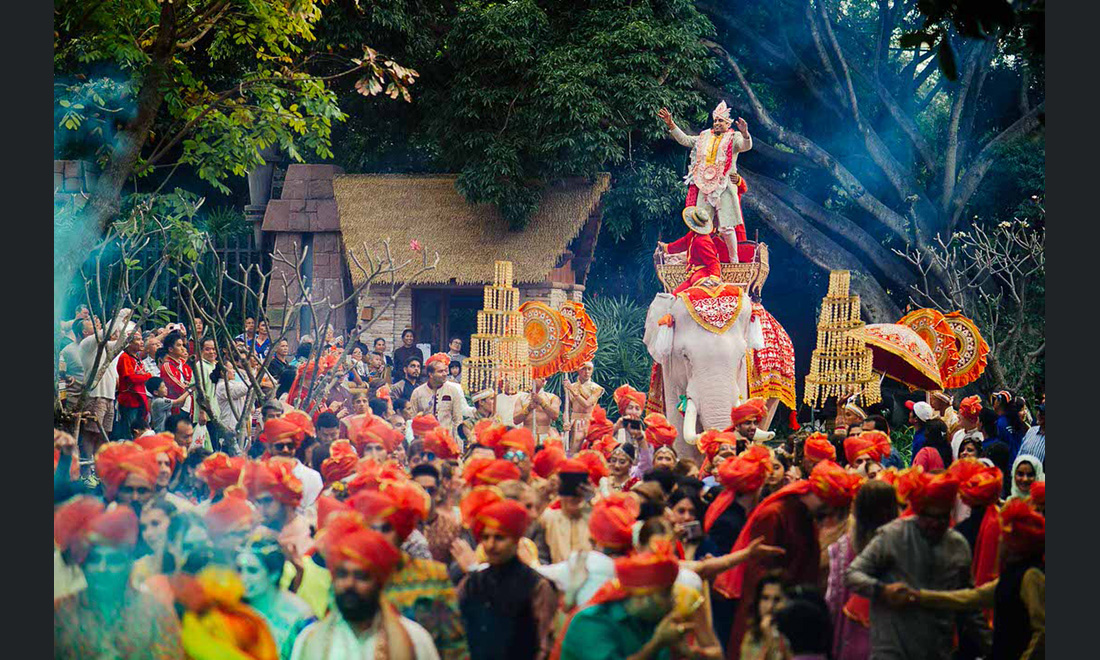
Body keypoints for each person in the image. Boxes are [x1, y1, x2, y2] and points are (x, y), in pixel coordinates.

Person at [715, 460, 861, 658]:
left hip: (794, 615)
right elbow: (758, 574)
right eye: (829, 511)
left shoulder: (804, 514)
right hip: (769, 613)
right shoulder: (775, 514)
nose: (829, 520)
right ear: (821, 498)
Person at [845, 471, 990, 660]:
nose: (936, 524)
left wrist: (990, 645)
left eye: (943, 517)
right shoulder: (893, 536)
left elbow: (968, 602)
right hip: (893, 649)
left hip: (938, 650)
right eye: (930, 516)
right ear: (918, 511)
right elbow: (852, 575)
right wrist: (883, 591)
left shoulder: (957, 546)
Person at [909, 498, 1045, 660]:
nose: (999, 540)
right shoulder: (1015, 574)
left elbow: (1043, 630)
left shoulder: (1030, 575)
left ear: (1015, 544)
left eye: (1003, 536)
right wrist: (919, 596)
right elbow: (971, 597)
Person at [54, 497, 185, 659]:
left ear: (129, 564)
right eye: (94, 560)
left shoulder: (156, 612)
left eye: (114, 560)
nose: (102, 569)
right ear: (82, 564)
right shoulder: (61, 613)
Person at [291, 518, 439, 659]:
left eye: (360, 576)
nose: (349, 584)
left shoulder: (415, 640)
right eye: (342, 575)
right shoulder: (310, 640)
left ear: (379, 582)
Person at [457, 488, 557, 660]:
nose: (490, 545)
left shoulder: (536, 585)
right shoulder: (472, 583)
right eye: (486, 537)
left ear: (516, 540)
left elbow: (545, 644)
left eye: (499, 538)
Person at [558, 548, 700, 660]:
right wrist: (656, 644)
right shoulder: (591, 622)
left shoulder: (651, 620)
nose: (674, 599)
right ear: (641, 597)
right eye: (666, 594)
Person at [658, 102, 753, 255]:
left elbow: (745, 146)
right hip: (705, 186)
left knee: (726, 227)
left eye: (721, 120)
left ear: (728, 123)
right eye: (715, 120)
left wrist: (745, 133)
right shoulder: (704, 136)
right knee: (701, 225)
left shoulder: (733, 137)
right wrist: (671, 124)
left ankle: (734, 260)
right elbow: (685, 140)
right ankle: (701, 257)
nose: (717, 123)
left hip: (724, 186)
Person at [825, 479, 899, 660]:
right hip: (893, 639)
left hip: (850, 637)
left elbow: (833, 598)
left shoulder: (842, 548)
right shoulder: (904, 545)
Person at [236, 533, 317, 659]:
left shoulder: (300, 616)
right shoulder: (234, 609)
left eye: (252, 571)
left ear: (274, 573)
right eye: (239, 570)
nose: (243, 578)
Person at [262, 415, 324, 514]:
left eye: (290, 446)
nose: (285, 450)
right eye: (280, 446)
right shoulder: (260, 475)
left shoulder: (312, 477)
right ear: (269, 448)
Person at [658, 205, 724, 294]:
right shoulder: (693, 235)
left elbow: (713, 261)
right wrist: (666, 247)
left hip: (703, 274)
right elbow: (681, 244)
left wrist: (714, 277)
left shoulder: (702, 241)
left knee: (681, 294)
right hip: (693, 273)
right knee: (676, 294)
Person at [537, 460, 593, 564]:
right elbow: (541, 555)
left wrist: (591, 500)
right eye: (569, 487)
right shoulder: (549, 517)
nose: (573, 497)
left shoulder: (595, 517)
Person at [410, 353, 469, 442]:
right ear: (430, 374)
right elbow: (413, 419)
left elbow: (457, 420)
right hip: (425, 441)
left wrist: (457, 446)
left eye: (445, 371)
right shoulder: (418, 393)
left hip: (446, 441)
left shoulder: (453, 391)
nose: (445, 374)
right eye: (440, 371)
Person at [738, 571, 790, 660]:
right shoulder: (751, 636)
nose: (770, 606)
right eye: (765, 598)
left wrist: (769, 637)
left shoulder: (790, 637)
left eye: (777, 599)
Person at [116, 330, 153, 439]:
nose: (142, 342)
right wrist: (147, 376)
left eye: (141, 339)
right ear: (129, 343)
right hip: (129, 400)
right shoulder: (124, 357)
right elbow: (131, 378)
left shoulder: (137, 357)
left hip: (138, 399)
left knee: (139, 429)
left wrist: (143, 375)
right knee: (130, 431)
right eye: (138, 339)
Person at [563, 362, 605, 455]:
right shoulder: (570, 386)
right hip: (573, 423)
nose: (586, 372)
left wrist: (572, 390)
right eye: (583, 368)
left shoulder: (596, 388)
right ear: (578, 370)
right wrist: (566, 421)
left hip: (588, 422)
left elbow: (587, 404)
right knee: (572, 452)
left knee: (588, 451)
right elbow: (567, 409)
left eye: (589, 369)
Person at [513, 378, 563, 444]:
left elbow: (555, 416)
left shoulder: (552, 397)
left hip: (546, 436)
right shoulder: (522, 398)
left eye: (537, 377)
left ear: (543, 381)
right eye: (531, 378)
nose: (533, 379)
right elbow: (516, 420)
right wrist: (528, 408)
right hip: (527, 436)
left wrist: (541, 402)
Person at [951, 395, 984, 460]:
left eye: (962, 414)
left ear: (971, 419)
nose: (958, 416)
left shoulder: (981, 438)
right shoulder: (958, 434)